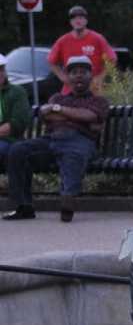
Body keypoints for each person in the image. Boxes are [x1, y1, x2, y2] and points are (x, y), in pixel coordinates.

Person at [3, 55, 108, 223]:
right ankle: (22, 206)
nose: (79, 76)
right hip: (51, 139)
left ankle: (68, 200)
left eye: (83, 72)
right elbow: (46, 115)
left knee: (74, 155)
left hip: (79, 141)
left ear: (91, 76)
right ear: (68, 77)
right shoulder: (57, 98)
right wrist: (77, 118)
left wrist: (60, 111)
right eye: (74, 72)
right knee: (18, 150)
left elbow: (90, 115)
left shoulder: (99, 101)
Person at [48, 5, 116, 92]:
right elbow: (51, 61)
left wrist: (100, 78)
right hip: (70, 91)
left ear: (86, 21)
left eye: (80, 17)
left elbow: (112, 60)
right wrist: (63, 77)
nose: (77, 21)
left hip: (92, 90)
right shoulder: (63, 41)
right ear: (70, 22)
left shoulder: (97, 38)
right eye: (74, 18)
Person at [0, 60, 29, 165]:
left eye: (2, 69)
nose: (1, 73)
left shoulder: (17, 92)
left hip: (10, 141)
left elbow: (17, 123)